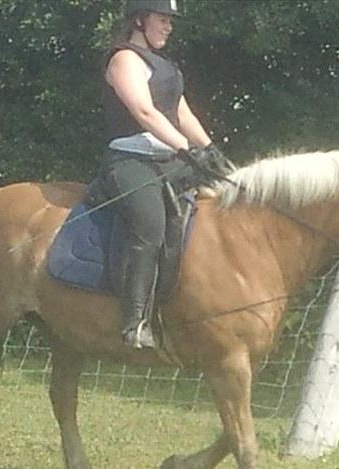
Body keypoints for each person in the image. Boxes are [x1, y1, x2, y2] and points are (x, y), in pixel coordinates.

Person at [87, 0, 234, 350]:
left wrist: (211, 151)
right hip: (129, 162)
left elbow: (182, 113)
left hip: (168, 159)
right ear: (139, 20)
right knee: (150, 227)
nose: (169, 26)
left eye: (170, 20)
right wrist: (186, 149)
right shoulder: (124, 60)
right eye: (162, 19)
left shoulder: (165, 67)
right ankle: (135, 322)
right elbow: (144, 111)